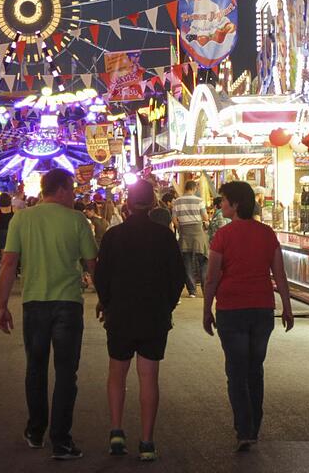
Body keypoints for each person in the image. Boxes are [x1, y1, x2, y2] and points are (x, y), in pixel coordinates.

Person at [0, 169, 97, 461]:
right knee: (67, 373)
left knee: (36, 368)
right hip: (68, 303)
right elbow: (92, 264)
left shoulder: (22, 218)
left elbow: (8, 263)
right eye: (74, 189)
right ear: (62, 189)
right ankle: (61, 441)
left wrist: (1, 305)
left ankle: (36, 431)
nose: (75, 195)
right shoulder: (77, 220)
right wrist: (105, 298)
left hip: (34, 304)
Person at [94, 180, 187, 462]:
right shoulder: (164, 237)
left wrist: (107, 303)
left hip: (120, 314)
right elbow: (177, 277)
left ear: (128, 204)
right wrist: (166, 306)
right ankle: (147, 441)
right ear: (154, 204)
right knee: (149, 376)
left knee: (117, 373)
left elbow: (101, 277)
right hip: (153, 315)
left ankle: (116, 431)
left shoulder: (113, 236)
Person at [203, 181, 294, 452]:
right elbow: (279, 274)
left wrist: (207, 309)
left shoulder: (223, 236)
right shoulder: (267, 234)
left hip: (231, 310)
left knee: (236, 370)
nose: (221, 205)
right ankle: (253, 427)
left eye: (224, 201)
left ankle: (244, 429)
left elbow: (212, 278)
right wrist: (286, 307)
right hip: (262, 310)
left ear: (236, 204)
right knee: (255, 369)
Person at [173, 180, 210, 299]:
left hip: (184, 233)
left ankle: (192, 291)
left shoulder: (177, 201)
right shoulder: (199, 201)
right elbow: (205, 217)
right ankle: (205, 289)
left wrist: (180, 228)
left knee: (187, 262)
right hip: (198, 232)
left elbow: (174, 219)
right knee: (203, 261)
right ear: (194, 189)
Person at [0, 192, 14, 278]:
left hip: (2, 231)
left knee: (2, 249)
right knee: (12, 248)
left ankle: (3, 266)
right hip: (11, 231)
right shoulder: (14, 209)